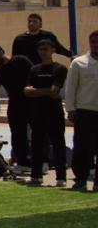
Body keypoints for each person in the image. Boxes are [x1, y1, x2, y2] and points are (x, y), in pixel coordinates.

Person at [25, 39, 68, 187]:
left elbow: (54, 91)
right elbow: (27, 91)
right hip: (37, 113)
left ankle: (61, 177)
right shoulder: (34, 69)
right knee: (36, 145)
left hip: (54, 113)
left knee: (58, 145)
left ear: (53, 50)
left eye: (46, 49)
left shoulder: (60, 69)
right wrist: (46, 92)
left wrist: (37, 91)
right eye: (41, 49)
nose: (43, 52)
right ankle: (36, 176)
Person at [0, 44, 33, 170]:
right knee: (17, 133)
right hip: (15, 102)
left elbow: (33, 74)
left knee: (37, 131)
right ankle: (23, 162)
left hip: (30, 100)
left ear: (1, 52)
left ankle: (41, 161)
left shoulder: (20, 60)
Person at [65, 30, 98, 191]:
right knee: (82, 148)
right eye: (93, 41)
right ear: (89, 42)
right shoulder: (78, 63)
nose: (96, 44)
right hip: (84, 111)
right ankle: (81, 179)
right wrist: (70, 109)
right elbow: (70, 88)